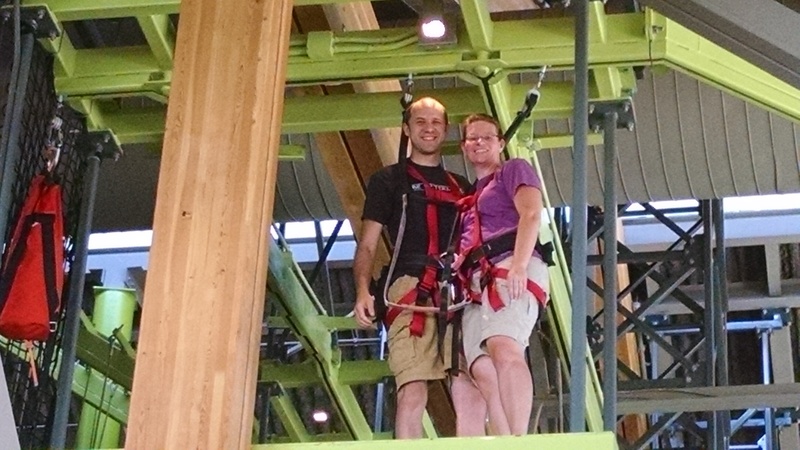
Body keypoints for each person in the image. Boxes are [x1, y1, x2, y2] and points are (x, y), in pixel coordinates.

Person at [353, 97, 486, 438]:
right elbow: (367, 243)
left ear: (446, 130)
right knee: (412, 386)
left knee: (467, 381)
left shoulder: (462, 187)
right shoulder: (389, 181)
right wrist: (362, 291)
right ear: (406, 129)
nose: (428, 128)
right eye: (420, 122)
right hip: (408, 286)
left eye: (436, 123)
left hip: (455, 288)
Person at [457, 113, 549, 435]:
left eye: (486, 137)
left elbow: (531, 212)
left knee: (505, 346)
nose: (479, 142)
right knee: (479, 367)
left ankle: (519, 438)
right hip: (479, 282)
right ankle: (503, 437)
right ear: (464, 146)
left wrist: (520, 265)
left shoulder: (512, 171)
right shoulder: (470, 196)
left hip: (509, 264)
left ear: (501, 143)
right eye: (472, 138)